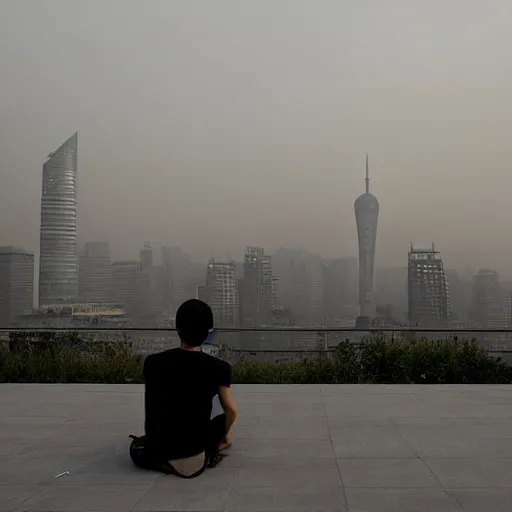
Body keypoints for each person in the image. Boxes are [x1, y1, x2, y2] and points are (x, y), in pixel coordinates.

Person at [129, 299, 237, 478]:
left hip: (157, 450)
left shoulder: (153, 363)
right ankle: (218, 443)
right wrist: (223, 435)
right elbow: (232, 411)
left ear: (178, 328)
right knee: (220, 412)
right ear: (208, 331)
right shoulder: (219, 368)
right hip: (194, 458)